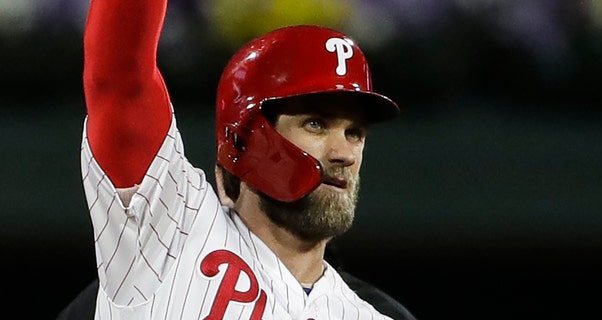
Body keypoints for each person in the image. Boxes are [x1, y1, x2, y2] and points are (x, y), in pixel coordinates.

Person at [59, 0, 416, 319]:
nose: (343, 153)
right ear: (246, 139)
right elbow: (119, 72)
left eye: (355, 133)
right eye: (315, 124)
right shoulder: (169, 232)